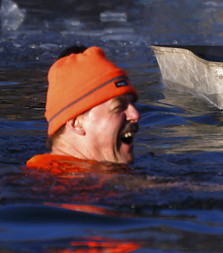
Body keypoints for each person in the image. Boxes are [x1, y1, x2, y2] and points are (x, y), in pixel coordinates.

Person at [27, 45, 140, 174]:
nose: (135, 114)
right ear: (76, 123)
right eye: (119, 107)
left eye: (133, 104)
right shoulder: (52, 181)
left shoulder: (94, 175)